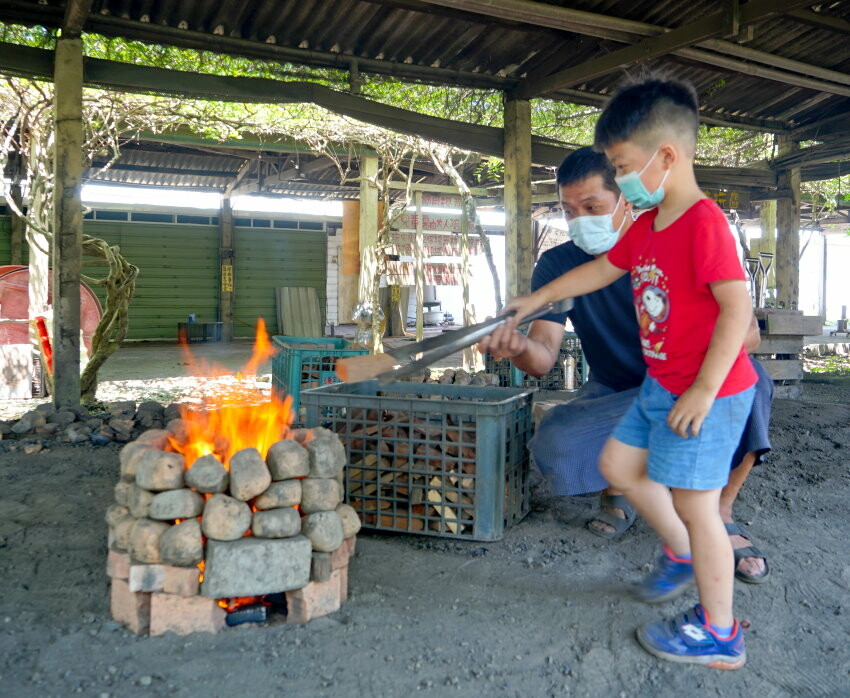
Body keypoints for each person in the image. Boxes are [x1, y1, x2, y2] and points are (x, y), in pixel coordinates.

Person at [498, 77, 760, 669]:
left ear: (665, 158)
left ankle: (720, 631)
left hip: (706, 391)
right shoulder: (647, 226)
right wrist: (531, 303)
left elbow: (738, 309)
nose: (620, 181)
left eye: (621, 168)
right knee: (618, 465)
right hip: (661, 385)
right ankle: (683, 552)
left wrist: (702, 387)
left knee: (698, 509)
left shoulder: (703, 222)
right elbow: (596, 274)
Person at [479, 147, 772, 584]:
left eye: (592, 207)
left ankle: (719, 514)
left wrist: (700, 379)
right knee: (557, 443)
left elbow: (747, 332)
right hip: (615, 392)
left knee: (754, 385)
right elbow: (542, 357)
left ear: (626, 200)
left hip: (686, 383)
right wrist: (519, 341)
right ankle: (633, 498)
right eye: (568, 210)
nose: (579, 220)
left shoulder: (681, 237)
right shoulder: (562, 263)